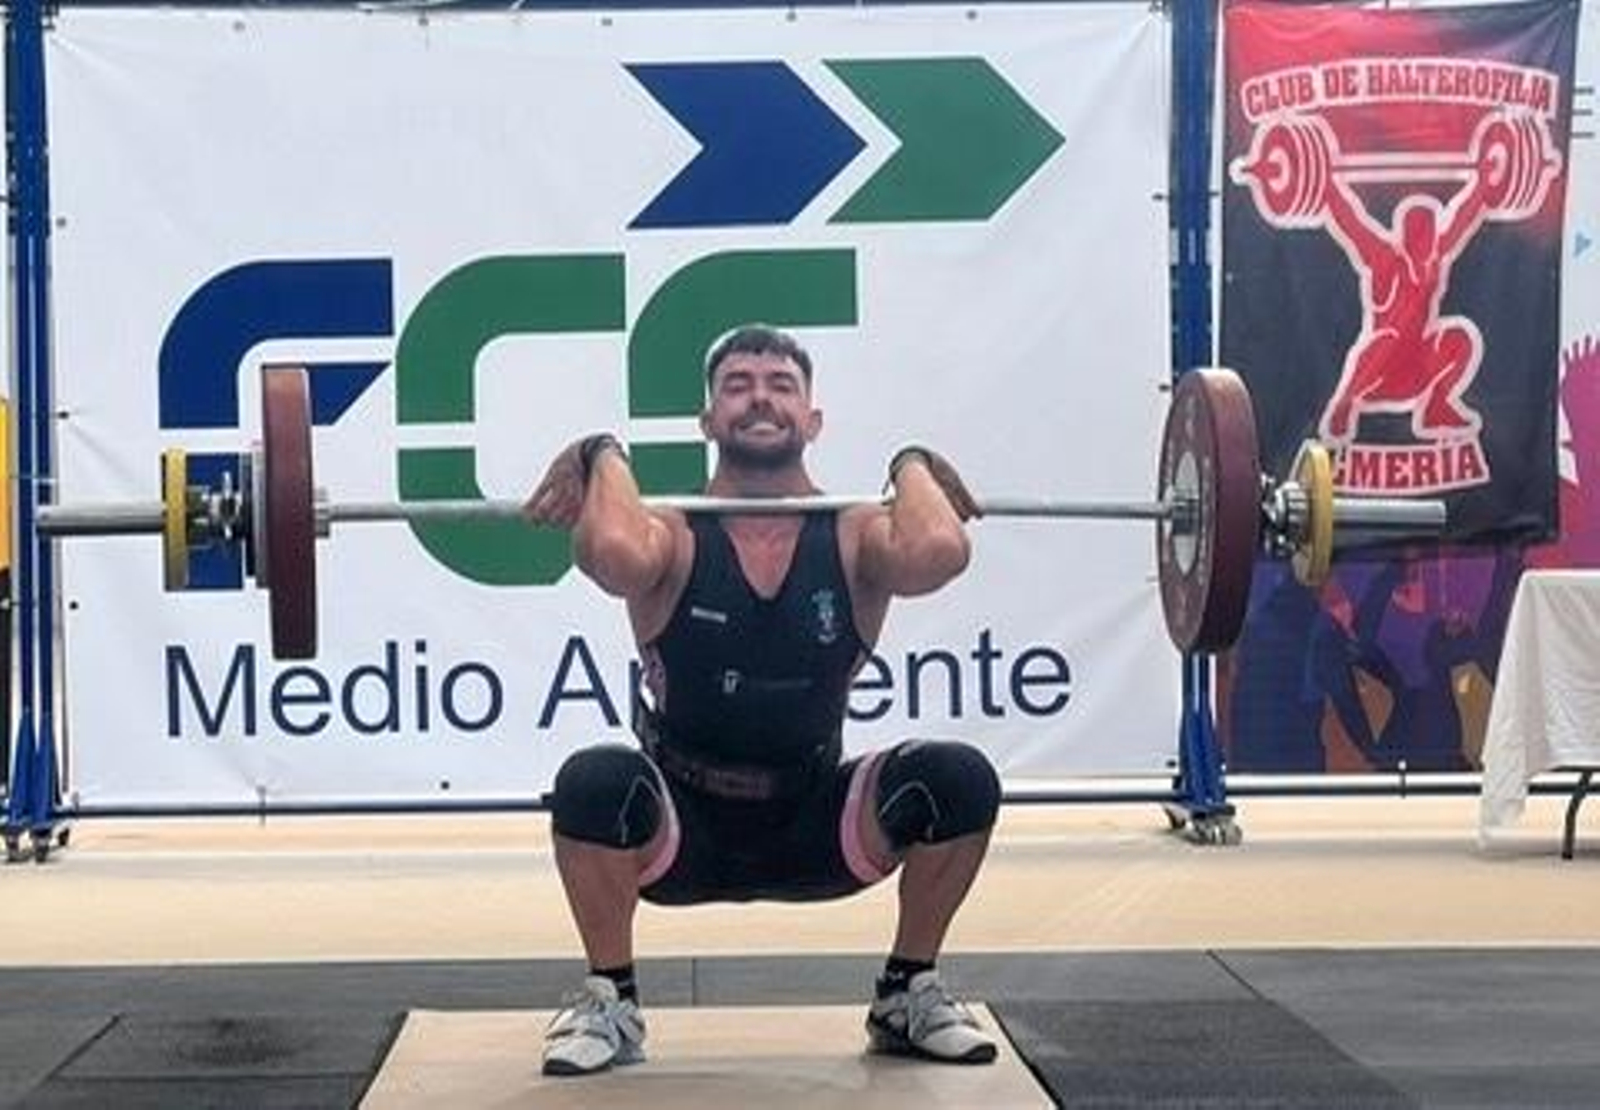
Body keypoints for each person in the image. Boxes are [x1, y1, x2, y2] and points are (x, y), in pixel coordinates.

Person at [522, 323, 1002, 1077]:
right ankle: (610, 998)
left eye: (781, 386)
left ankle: (907, 992)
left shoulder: (855, 533)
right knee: (592, 783)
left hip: (819, 819)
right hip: (679, 828)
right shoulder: (671, 535)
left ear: (812, 420)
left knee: (958, 779)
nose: (759, 399)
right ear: (708, 419)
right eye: (737, 385)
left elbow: (938, 551)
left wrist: (909, 464)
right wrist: (600, 451)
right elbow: (612, 555)